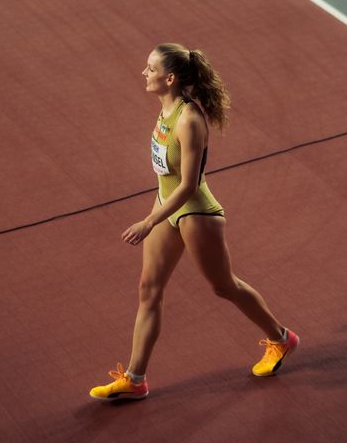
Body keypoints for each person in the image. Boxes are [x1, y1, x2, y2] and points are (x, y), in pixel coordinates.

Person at [89, 43, 299, 401]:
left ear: (169, 78)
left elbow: (187, 186)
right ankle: (136, 378)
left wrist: (149, 221)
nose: (144, 73)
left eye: (150, 69)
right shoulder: (166, 110)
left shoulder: (189, 120)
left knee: (223, 286)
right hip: (166, 205)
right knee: (148, 290)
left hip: (194, 213)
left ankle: (281, 339)